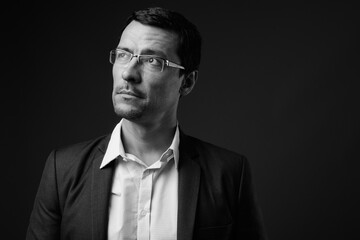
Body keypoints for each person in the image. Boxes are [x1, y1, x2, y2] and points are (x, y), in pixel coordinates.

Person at [26, 6, 267, 240]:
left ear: (187, 82)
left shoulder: (229, 174)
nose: (128, 73)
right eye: (123, 55)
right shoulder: (63, 169)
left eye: (152, 60)